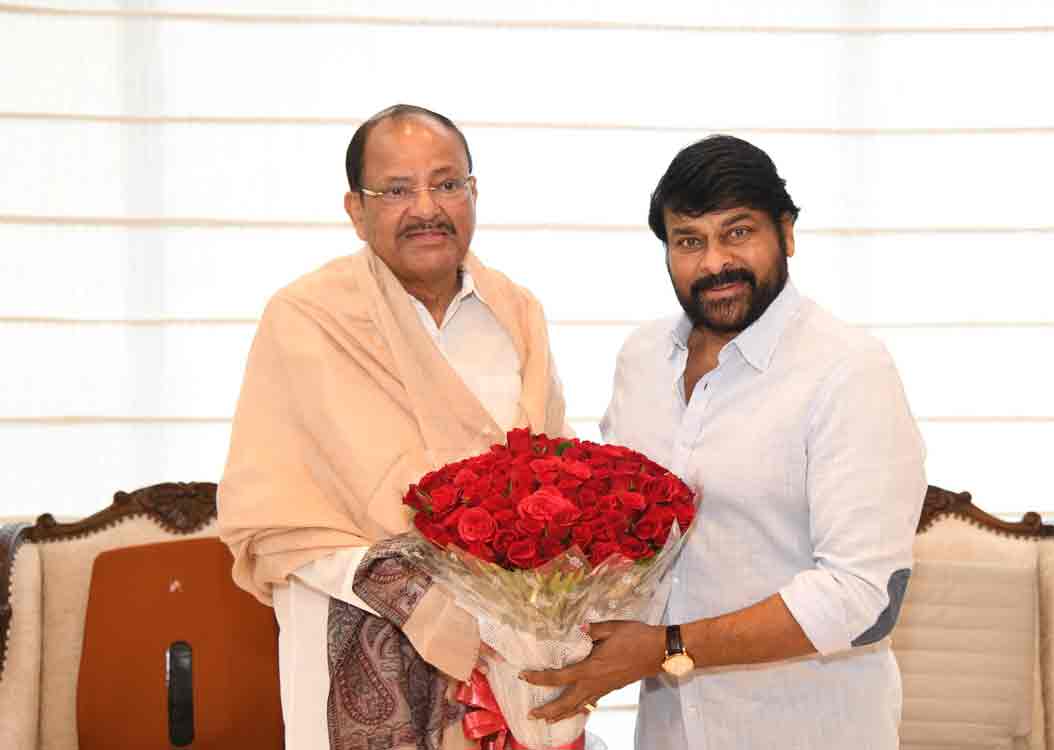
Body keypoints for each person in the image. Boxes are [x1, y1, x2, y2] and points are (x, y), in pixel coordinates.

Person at [523, 135, 927, 749]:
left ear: (786, 234)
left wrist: (666, 649)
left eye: (738, 233)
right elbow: (622, 541)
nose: (714, 262)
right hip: (668, 731)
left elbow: (865, 600)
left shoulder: (848, 371)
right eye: (689, 241)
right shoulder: (642, 359)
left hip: (807, 730)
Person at [217, 104, 570, 750]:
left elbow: (555, 488)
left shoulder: (517, 314)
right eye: (397, 190)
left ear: (473, 194)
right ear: (356, 210)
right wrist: (419, 600)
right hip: (348, 644)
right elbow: (269, 522)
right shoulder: (305, 320)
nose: (427, 207)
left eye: (446, 184)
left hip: (505, 665)